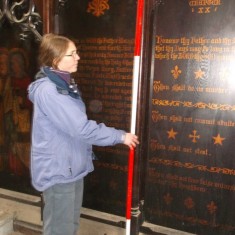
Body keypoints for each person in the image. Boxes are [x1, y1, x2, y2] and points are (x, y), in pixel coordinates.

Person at [27, 33, 139, 235]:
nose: (78, 58)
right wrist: (120, 136)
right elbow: (81, 128)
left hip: (71, 167)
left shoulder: (63, 84)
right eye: (72, 54)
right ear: (56, 60)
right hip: (59, 171)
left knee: (70, 227)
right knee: (59, 230)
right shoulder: (50, 91)